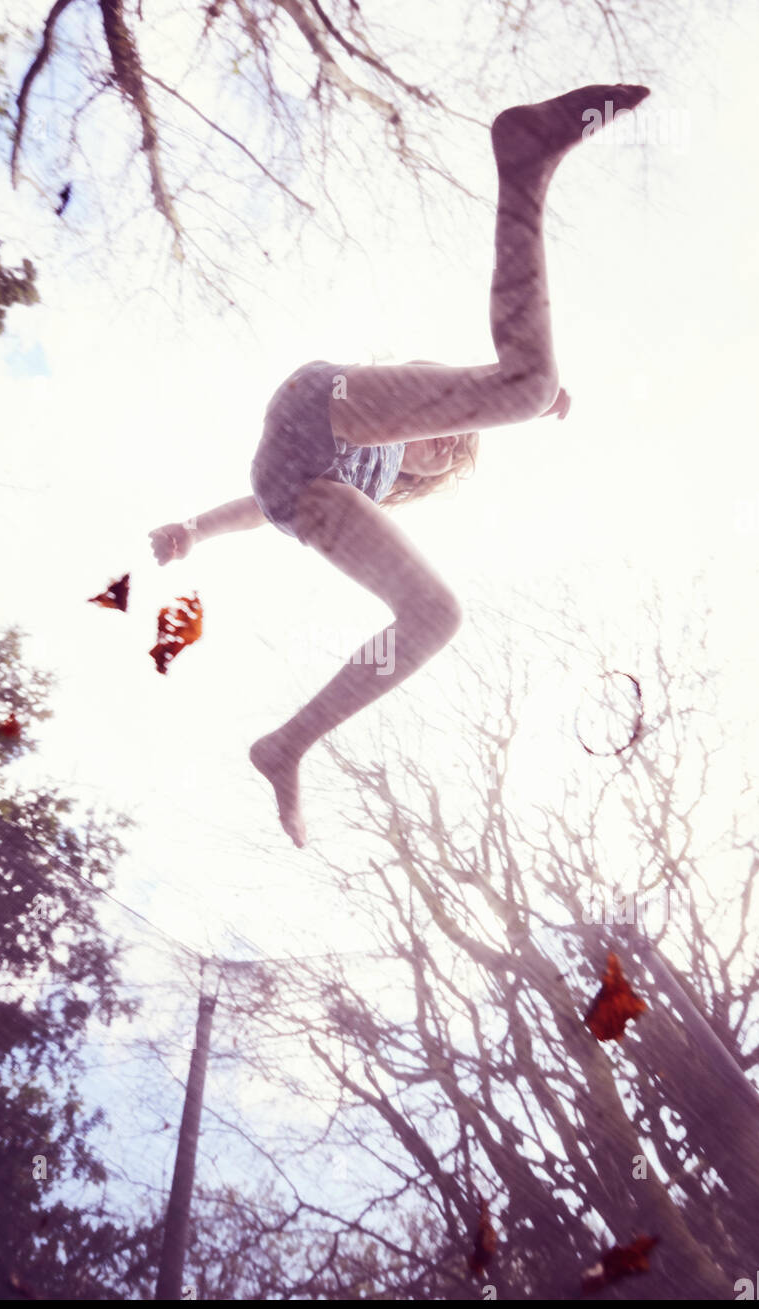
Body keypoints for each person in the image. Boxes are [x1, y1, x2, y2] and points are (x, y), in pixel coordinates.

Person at [149, 84, 651, 848]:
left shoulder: (374, 489)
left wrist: (198, 533)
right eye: (452, 434)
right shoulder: (381, 409)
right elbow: (455, 397)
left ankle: (286, 745)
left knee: (438, 616)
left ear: (425, 479)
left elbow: (263, 506)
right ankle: (522, 166)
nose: (448, 444)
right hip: (318, 402)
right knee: (526, 387)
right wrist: (516, 395)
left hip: (297, 492)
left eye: (451, 453)